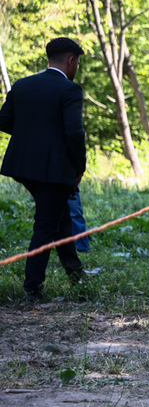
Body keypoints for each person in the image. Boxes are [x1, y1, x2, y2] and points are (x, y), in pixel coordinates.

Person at [0, 37, 87, 301]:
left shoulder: (23, 84)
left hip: (23, 167)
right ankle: (32, 289)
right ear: (71, 61)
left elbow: (4, 121)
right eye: (78, 62)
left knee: (58, 218)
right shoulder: (70, 89)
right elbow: (74, 133)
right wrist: (79, 167)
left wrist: (32, 139)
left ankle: (76, 275)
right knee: (46, 225)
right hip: (54, 170)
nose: (77, 67)